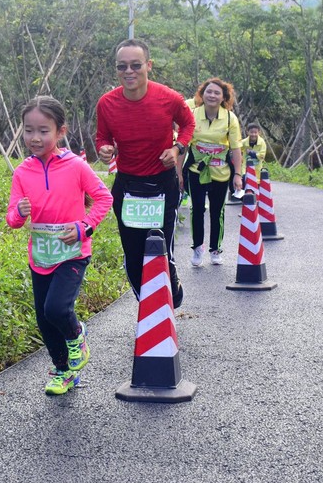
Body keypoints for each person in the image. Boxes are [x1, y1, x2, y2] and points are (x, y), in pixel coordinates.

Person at [6, 96, 113, 395]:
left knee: (56, 308)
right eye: (29, 130)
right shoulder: (22, 172)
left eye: (43, 131)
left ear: (60, 131)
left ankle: (77, 335)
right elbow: (12, 219)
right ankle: (63, 371)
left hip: (73, 253)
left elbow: (104, 198)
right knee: (44, 318)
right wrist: (20, 213)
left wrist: (84, 228)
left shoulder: (76, 166)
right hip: (41, 256)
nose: (35, 138)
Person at [95, 39, 195, 308]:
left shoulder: (169, 98)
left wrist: (177, 149)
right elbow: (102, 136)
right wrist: (104, 149)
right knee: (134, 256)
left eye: (136, 65)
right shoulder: (106, 103)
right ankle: (149, 310)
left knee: (160, 251)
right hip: (128, 187)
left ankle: (169, 295)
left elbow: (188, 124)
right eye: (122, 66)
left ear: (148, 65)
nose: (129, 71)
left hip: (162, 185)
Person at [185, 78, 243, 266]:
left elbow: (236, 148)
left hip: (221, 172)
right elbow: (183, 145)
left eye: (217, 93)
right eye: (208, 92)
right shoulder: (192, 115)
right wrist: (178, 173)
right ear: (202, 95)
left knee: (217, 211)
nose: (212, 95)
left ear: (224, 97)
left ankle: (215, 249)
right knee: (197, 209)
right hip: (196, 170)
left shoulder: (230, 118)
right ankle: (197, 248)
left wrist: (238, 174)